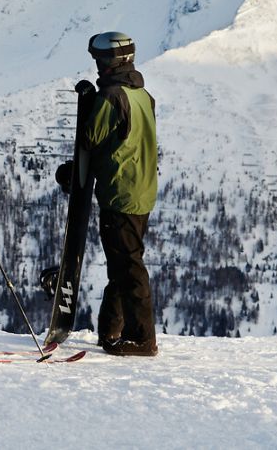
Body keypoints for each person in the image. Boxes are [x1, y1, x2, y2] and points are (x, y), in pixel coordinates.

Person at [62, 31, 159, 356]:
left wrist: (70, 171)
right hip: (141, 192)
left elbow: (89, 140)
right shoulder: (142, 95)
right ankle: (112, 331)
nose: (98, 67)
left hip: (121, 192)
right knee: (122, 263)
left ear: (112, 61)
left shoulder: (113, 97)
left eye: (100, 61)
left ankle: (142, 338)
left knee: (128, 266)